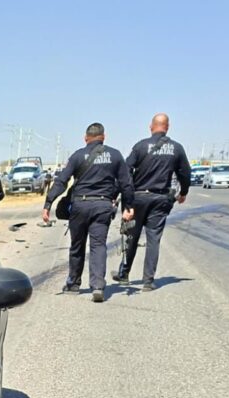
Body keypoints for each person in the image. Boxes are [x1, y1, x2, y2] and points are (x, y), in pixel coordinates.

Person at [43, 123, 134, 302]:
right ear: (104, 137)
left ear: (86, 138)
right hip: (102, 205)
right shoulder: (115, 155)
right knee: (98, 245)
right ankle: (98, 285)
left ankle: (73, 283)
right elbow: (126, 183)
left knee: (77, 245)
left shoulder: (78, 155)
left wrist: (48, 203)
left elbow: (62, 181)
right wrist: (128, 208)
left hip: (80, 205)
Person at [114, 112, 192, 290]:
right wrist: (183, 192)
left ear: (151, 127)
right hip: (161, 198)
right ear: (168, 127)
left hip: (138, 197)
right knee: (153, 239)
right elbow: (185, 173)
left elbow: (126, 170)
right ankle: (148, 281)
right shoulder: (176, 148)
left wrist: (125, 196)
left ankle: (124, 274)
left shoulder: (140, 146)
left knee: (131, 237)